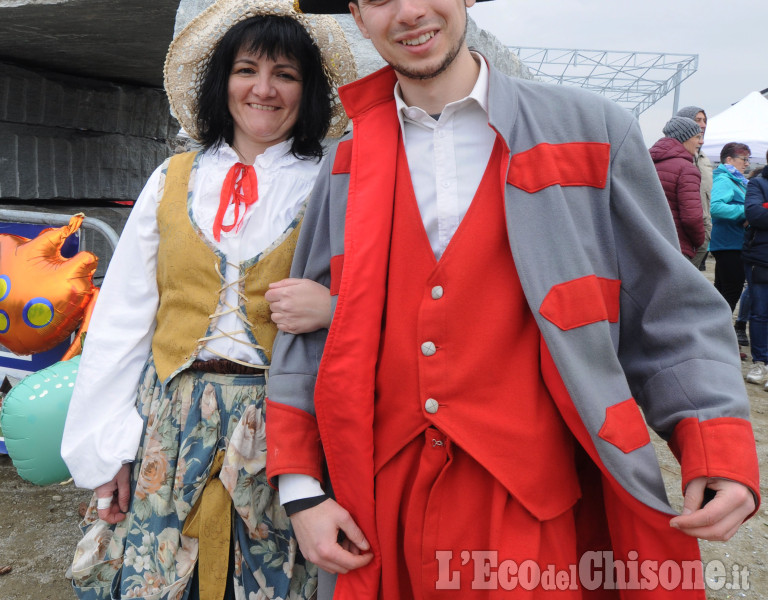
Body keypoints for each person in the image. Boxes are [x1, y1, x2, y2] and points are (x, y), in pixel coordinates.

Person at [266, 1, 760, 599]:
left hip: (537, 509)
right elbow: (308, 335)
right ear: (357, 14)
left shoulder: (594, 131)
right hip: (382, 511)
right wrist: (302, 491)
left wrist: (715, 444)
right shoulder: (344, 163)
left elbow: (668, 309)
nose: (409, 11)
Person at [60, 1, 356, 598]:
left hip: (285, 428)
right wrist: (107, 450)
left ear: (309, 90)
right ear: (223, 80)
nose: (264, 90)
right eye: (247, 69)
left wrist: (333, 307)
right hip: (167, 423)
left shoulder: (335, 181)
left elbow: (380, 300)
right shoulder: (172, 178)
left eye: (286, 75)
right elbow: (122, 322)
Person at [649, 116, 704, 261]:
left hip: (647, 242)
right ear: (685, 137)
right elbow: (692, 218)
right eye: (697, 137)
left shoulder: (648, 163)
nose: (701, 141)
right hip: (677, 245)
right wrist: (698, 242)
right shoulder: (687, 169)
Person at [710, 142, 752, 325]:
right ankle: (720, 338)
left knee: (723, 294)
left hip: (731, 243)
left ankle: (714, 337)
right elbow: (716, 207)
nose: (747, 164)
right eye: (743, 159)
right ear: (729, 160)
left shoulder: (735, 180)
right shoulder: (725, 180)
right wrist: (747, 211)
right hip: (730, 244)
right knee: (730, 294)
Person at [676, 106, 714, 270]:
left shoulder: (703, 158)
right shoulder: (678, 156)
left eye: (704, 120)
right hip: (684, 228)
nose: (703, 124)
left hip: (703, 226)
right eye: (698, 120)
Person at [742, 152, 768, 386]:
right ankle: (761, 362)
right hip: (760, 257)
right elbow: (756, 215)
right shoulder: (758, 183)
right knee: (760, 312)